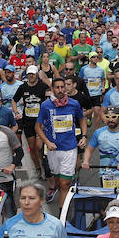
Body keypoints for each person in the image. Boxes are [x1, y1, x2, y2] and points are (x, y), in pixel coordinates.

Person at [36, 77, 87, 207]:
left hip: (69, 148)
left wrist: (84, 136)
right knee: (59, 182)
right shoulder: (45, 105)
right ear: (52, 89)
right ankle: (65, 199)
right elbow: (38, 127)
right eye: (57, 87)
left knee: (64, 184)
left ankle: (62, 216)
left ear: (65, 88)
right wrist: (47, 142)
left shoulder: (74, 104)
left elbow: (82, 119)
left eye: (62, 87)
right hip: (53, 150)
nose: (60, 90)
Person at [82, 106, 119, 190]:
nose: (110, 120)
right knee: (106, 200)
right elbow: (89, 150)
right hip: (105, 174)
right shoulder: (98, 133)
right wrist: (86, 161)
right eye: (107, 117)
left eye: (114, 117)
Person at [12, 66, 51, 181]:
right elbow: (14, 100)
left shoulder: (43, 87)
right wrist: (16, 112)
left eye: (33, 74)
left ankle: (44, 166)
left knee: (39, 147)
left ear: (37, 75)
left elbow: (49, 101)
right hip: (28, 121)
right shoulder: (23, 87)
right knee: (32, 148)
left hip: (40, 122)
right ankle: (38, 169)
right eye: (29, 74)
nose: (31, 76)